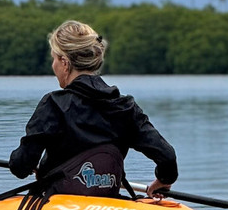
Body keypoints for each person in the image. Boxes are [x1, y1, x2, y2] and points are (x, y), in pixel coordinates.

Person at [9, 20, 177, 199]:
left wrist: (27, 164)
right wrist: (163, 180)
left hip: (59, 206)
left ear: (65, 63)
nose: (53, 66)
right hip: (108, 203)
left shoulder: (54, 104)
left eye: (54, 58)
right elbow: (167, 157)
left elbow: (20, 166)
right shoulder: (125, 107)